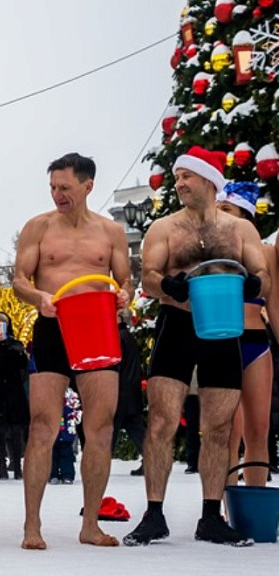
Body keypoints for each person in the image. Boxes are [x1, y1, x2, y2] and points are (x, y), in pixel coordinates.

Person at [124, 146, 268, 547]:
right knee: (161, 422)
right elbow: (148, 275)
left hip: (224, 328)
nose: (179, 183)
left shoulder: (240, 230)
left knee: (219, 427)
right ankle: (154, 514)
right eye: (177, 177)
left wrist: (255, 285)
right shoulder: (165, 228)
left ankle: (210, 516)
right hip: (176, 323)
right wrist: (165, 285)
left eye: (186, 176)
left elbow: (262, 275)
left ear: (208, 179)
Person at [13, 152, 132, 550]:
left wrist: (124, 298)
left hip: (98, 328)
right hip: (53, 326)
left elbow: (124, 284)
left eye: (65, 187)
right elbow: (18, 281)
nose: (57, 195)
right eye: (52, 187)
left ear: (87, 186)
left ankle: (91, 525)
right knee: (43, 427)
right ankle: (32, 526)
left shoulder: (111, 232)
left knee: (100, 429)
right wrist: (38, 296)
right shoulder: (38, 228)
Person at [217, 182, 274, 488]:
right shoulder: (210, 253)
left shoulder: (265, 253)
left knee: (258, 430)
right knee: (226, 430)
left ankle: (255, 501)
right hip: (222, 343)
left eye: (226, 209)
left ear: (245, 214)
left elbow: (274, 306)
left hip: (256, 344)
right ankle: (227, 507)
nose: (219, 215)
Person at [0, 312, 30, 480]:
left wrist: (14, 349)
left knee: (16, 429)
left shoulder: (16, 344)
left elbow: (22, 366)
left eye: (3, 323)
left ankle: (17, 464)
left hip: (14, 390)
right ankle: (2, 465)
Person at [113, 311, 146, 475]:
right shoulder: (127, 336)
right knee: (135, 427)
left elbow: (116, 363)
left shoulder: (118, 337)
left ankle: (100, 461)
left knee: (111, 427)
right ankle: (150, 458)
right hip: (131, 388)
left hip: (120, 389)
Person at [50, 387, 81, 484]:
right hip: (53, 432)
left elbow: (77, 412)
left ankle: (67, 475)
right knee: (52, 456)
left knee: (67, 455)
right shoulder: (49, 392)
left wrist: (73, 418)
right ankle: (53, 475)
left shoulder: (72, 395)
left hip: (67, 432)